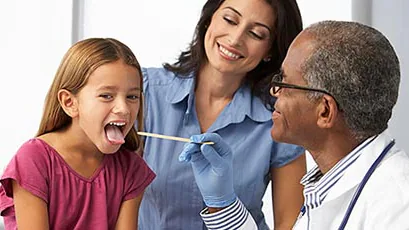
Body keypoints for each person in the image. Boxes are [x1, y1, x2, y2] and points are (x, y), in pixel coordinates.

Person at [180, 20, 409, 229]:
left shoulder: (397, 204)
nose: (274, 91)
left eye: (284, 82)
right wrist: (223, 204)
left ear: (325, 111)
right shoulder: (329, 182)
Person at [139, 0, 306, 229]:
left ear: (270, 51)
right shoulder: (143, 93)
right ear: (209, 20)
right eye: (229, 19)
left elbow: (292, 224)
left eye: (256, 34)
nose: (235, 39)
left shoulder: (279, 119)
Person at [0, 38, 156, 229]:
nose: (123, 109)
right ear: (69, 103)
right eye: (106, 95)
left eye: (132, 96)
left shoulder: (131, 169)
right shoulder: (34, 159)